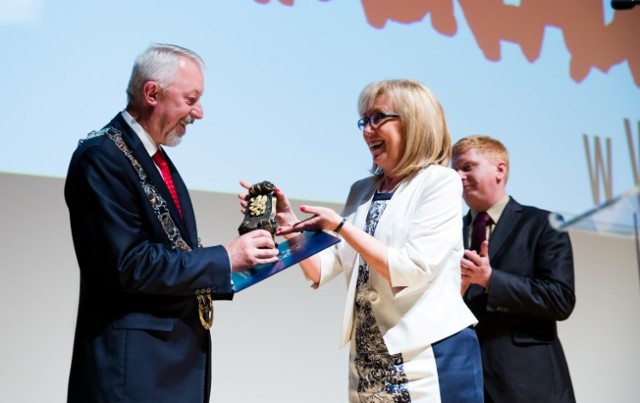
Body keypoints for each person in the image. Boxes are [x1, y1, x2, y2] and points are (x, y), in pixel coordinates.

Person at [64, 43, 279, 403]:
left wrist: (260, 251)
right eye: (190, 99)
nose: (199, 112)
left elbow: (172, 252)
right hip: (132, 372)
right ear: (152, 93)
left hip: (167, 366)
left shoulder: (151, 155)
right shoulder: (102, 157)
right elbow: (130, 264)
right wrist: (226, 257)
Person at [263, 79, 483, 402]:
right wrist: (288, 223)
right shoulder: (362, 190)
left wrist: (341, 227)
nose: (367, 131)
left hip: (429, 361)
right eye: (364, 121)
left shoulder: (440, 182)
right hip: (367, 367)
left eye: (378, 118)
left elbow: (411, 269)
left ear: (414, 122)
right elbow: (319, 270)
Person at [451, 135, 577, 403]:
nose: (458, 177)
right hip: (463, 382)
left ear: (500, 169)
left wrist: (490, 280)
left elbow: (560, 299)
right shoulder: (446, 232)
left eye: (467, 167)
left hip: (529, 384)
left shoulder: (543, 224)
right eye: (454, 170)